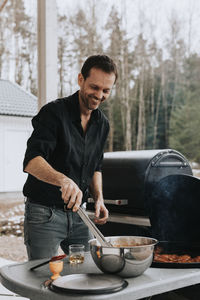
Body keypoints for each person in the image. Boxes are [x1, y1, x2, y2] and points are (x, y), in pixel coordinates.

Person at [23, 54, 118, 260]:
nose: (99, 95)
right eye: (94, 87)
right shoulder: (53, 112)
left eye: (106, 90)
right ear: (80, 79)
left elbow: (96, 166)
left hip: (80, 215)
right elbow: (32, 161)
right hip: (43, 213)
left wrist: (99, 199)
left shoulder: (103, 124)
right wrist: (63, 180)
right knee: (43, 281)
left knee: (86, 277)